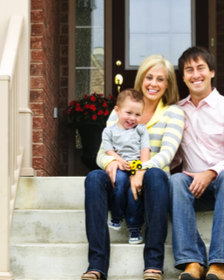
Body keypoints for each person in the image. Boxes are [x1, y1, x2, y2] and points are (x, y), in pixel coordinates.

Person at [81, 54, 186, 280]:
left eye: (160, 79)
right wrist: (112, 162)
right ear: (141, 79)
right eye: (149, 77)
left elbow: (167, 153)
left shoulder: (173, 113)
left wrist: (140, 169)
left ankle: (153, 264)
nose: (153, 83)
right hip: (119, 182)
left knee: (156, 175)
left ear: (168, 84)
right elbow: (102, 151)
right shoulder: (121, 111)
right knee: (93, 178)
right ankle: (97, 265)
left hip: (151, 185)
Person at [170, 46, 224, 280]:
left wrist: (211, 172)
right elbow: (172, 156)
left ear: (211, 73)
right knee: (176, 179)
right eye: (189, 70)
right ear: (183, 77)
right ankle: (192, 261)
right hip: (199, 189)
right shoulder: (177, 112)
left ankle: (218, 264)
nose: (195, 74)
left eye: (201, 68)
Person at [101, 88, 151, 244]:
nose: (133, 118)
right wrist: (120, 161)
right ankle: (116, 216)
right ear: (117, 110)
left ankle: (134, 228)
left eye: (137, 114)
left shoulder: (141, 130)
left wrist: (141, 170)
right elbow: (108, 150)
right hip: (121, 166)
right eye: (128, 113)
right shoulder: (109, 131)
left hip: (137, 167)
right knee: (119, 183)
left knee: (133, 193)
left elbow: (145, 150)